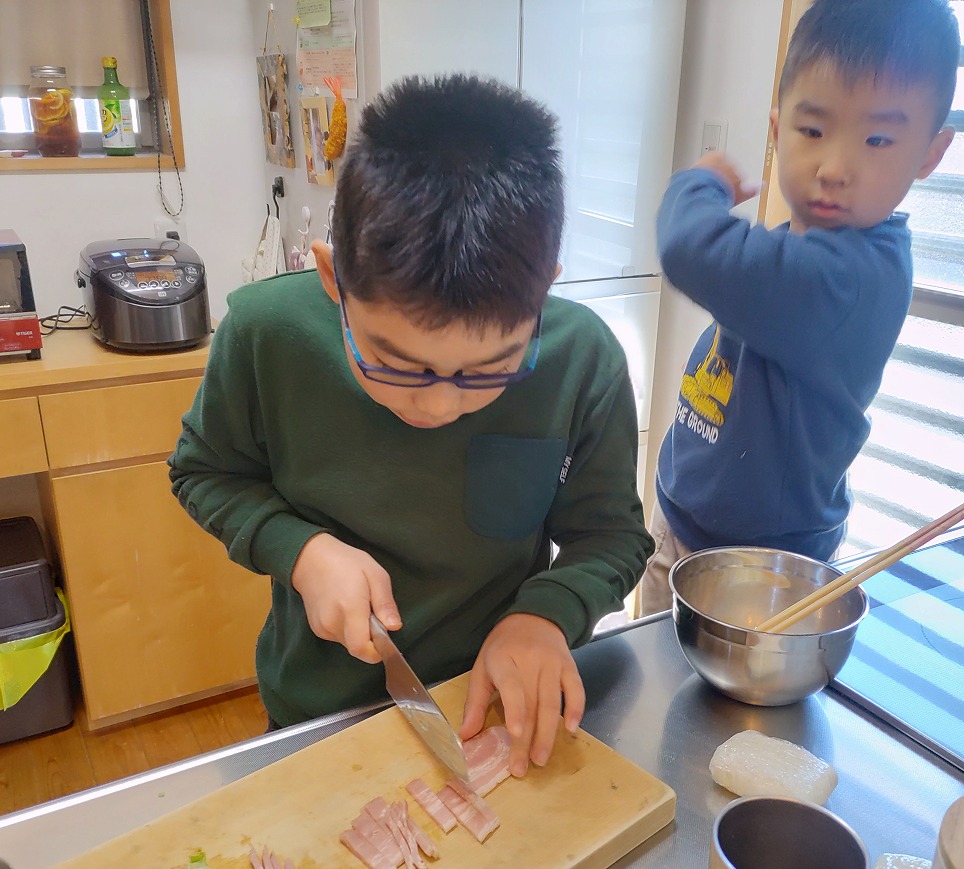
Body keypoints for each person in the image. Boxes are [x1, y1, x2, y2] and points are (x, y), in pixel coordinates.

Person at [169, 74, 653, 776]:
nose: (439, 406)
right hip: (315, 714)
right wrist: (301, 552)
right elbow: (203, 471)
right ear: (335, 281)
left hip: (492, 710)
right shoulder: (264, 335)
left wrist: (545, 616)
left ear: (545, 288)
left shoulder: (583, 358)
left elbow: (610, 535)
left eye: (488, 370)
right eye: (396, 364)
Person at [639, 0, 960, 615]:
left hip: (760, 568)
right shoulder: (802, 246)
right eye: (813, 130)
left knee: (712, 709)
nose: (834, 168)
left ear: (929, 153)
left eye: (878, 138)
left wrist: (701, 183)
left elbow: (689, 247)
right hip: (684, 525)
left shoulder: (851, 278)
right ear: (778, 128)